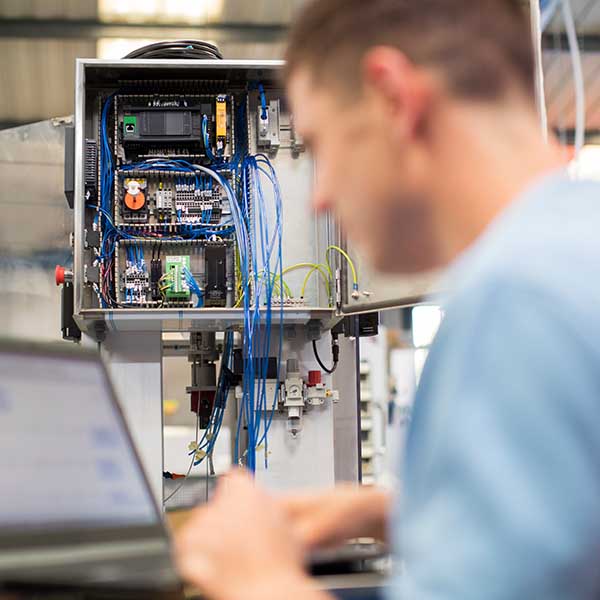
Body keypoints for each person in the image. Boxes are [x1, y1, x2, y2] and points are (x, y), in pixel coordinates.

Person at [175, 1, 600, 598]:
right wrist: (397, 514)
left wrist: (256, 577)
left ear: (393, 99)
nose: (319, 197)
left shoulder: (518, 299)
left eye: (321, 146)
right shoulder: (577, 242)